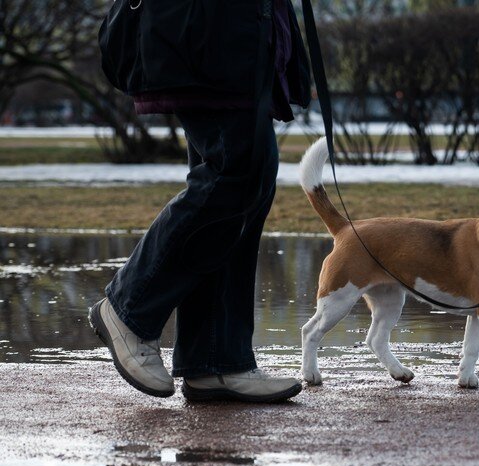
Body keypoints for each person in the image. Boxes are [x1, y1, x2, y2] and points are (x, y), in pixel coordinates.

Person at [90, 0, 314, 402]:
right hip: (208, 32)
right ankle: (130, 309)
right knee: (236, 174)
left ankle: (216, 360)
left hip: (231, 34)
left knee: (245, 184)